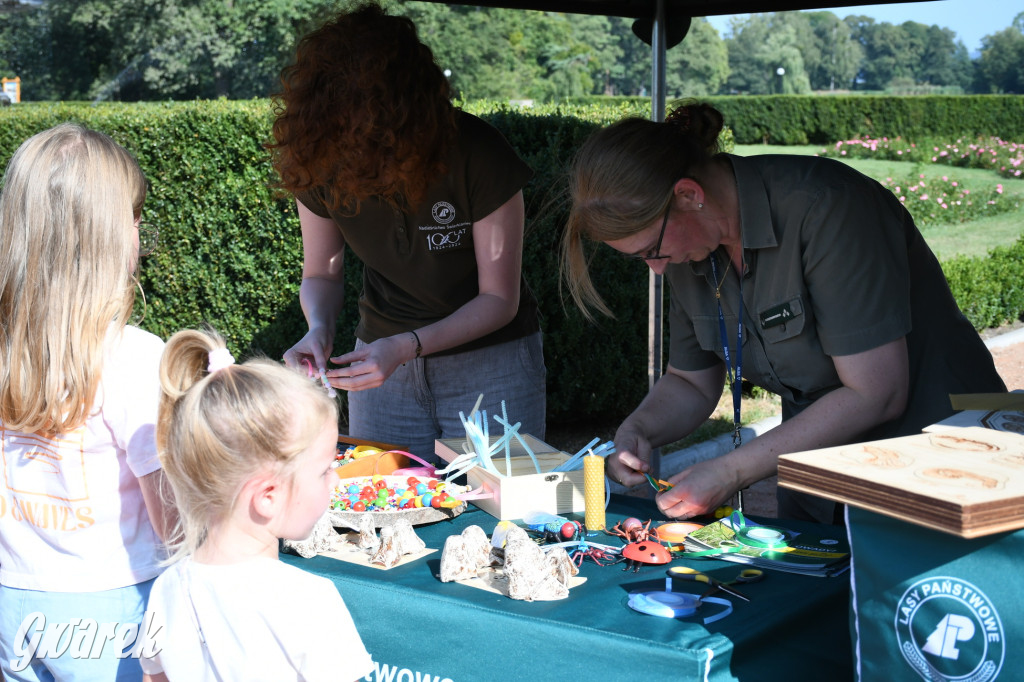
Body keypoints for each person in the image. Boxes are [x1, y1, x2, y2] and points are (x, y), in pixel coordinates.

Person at [562, 102, 1007, 525]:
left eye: (652, 250)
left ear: (687, 194)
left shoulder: (828, 206)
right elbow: (690, 381)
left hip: (936, 462)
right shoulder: (690, 245)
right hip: (816, 469)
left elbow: (876, 392)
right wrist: (638, 429)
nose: (656, 267)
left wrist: (731, 471)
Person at [269, 2, 546, 462]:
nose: (359, 149)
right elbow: (322, 274)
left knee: (503, 519)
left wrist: (406, 346)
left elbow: (499, 300)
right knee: (383, 509)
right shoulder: (317, 157)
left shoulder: (477, 152)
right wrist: (319, 329)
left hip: (491, 362)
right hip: (380, 366)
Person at [0, 124, 171, 680]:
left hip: (12, 597)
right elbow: (169, 516)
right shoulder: (136, 358)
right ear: (104, 237)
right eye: (134, 217)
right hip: (111, 609)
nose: (140, 233)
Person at [138, 328, 373, 681]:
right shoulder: (307, 600)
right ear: (268, 497)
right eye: (325, 469)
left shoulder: (168, 588)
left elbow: (154, 677)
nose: (335, 479)